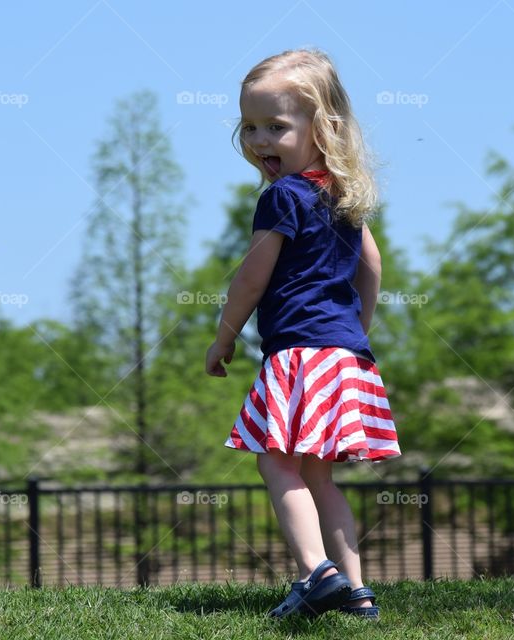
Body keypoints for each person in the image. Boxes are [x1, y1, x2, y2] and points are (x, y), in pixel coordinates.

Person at [205, 48, 401, 620]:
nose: (261, 140)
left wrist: (224, 336)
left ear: (323, 127)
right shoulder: (341, 196)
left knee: (275, 462)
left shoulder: (282, 196)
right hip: (345, 355)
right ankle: (356, 591)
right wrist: (354, 334)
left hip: (298, 353)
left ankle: (316, 573)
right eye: (250, 127)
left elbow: (250, 277)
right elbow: (373, 266)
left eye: (277, 127)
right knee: (319, 474)